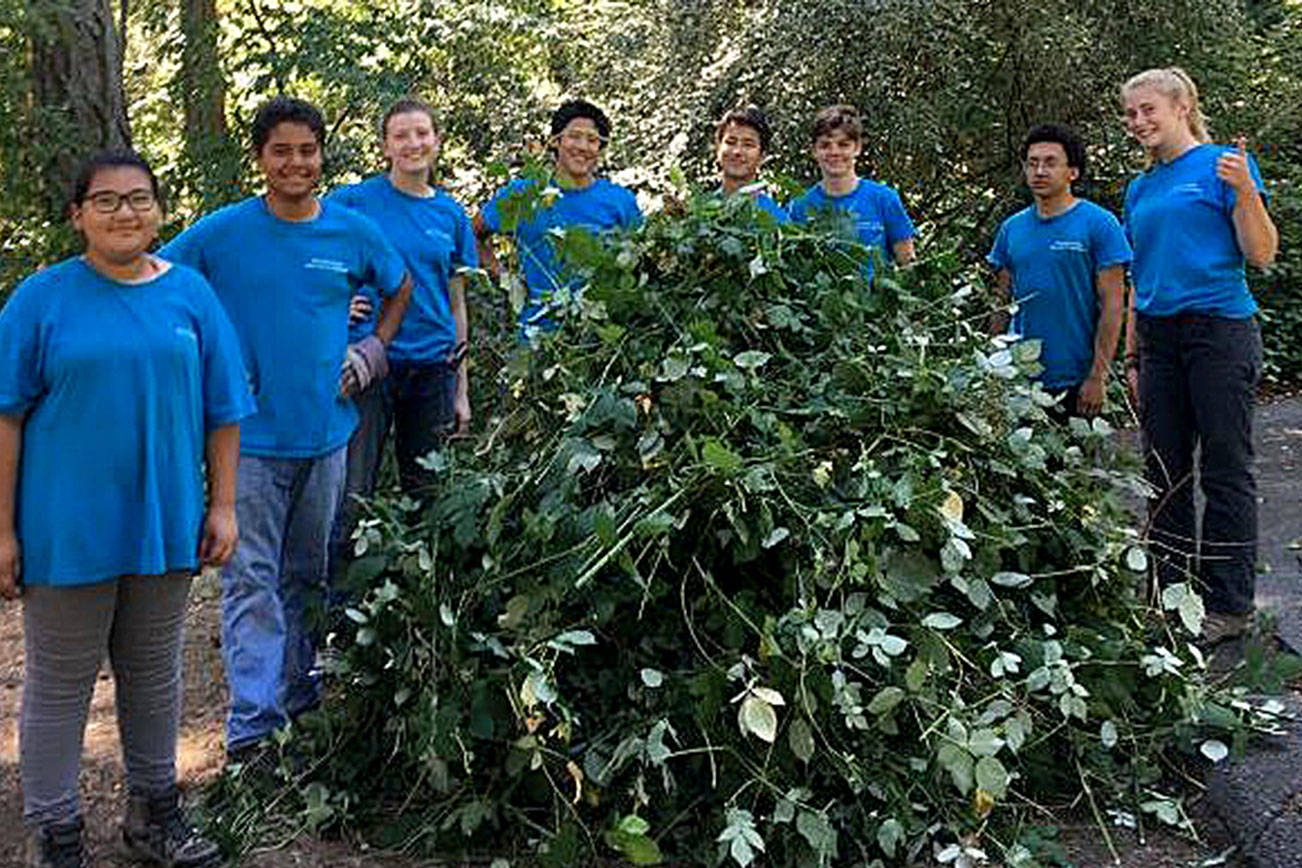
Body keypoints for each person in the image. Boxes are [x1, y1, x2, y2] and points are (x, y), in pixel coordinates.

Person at [0, 151, 253, 867]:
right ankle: (56, 835)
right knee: (60, 683)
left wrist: (225, 506)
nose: (125, 213)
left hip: (165, 521)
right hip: (66, 526)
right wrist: (2, 530)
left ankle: (155, 818)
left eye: (139, 199)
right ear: (77, 215)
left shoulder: (193, 296)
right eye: (106, 201)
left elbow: (224, 411)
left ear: (160, 210)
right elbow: (6, 418)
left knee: (153, 675)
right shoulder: (40, 300)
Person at [162, 97, 411, 761]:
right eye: (281, 151)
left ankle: (299, 703)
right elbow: (160, 279)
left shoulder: (350, 232)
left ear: (322, 154)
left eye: (306, 150)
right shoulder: (224, 233)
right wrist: (209, 357)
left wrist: (370, 353)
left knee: (305, 574)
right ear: (261, 159)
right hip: (248, 446)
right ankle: (252, 730)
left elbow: (400, 284)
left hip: (327, 438)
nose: (295, 163)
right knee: (250, 581)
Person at [1120, 67, 1278, 642]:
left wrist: (1242, 192)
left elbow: (1261, 253)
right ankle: (1169, 595)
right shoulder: (1140, 187)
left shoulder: (1224, 167)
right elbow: (1139, 272)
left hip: (1218, 330)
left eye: (1148, 110)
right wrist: (1133, 356)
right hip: (1159, 339)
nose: (1138, 122)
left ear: (1181, 106)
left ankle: (1229, 605)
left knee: (1225, 468)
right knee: (1163, 472)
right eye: (1130, 114)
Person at [328, 96, 477, 584]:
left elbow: (457, 304)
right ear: (385, 147)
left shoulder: (452, 215)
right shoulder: (354, 202)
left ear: (436, 141)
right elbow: (310, 253)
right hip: (370, 365)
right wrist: (334, 303)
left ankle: (414, 619)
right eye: (401, 135)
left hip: (432, 367)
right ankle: (335, 623)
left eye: (422, 134)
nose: (413, 143)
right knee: (351, 496)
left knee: (428, 499)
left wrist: (461, 389)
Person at [987, 124, 1131, 417]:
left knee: (1080, 463)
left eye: (1051, 163)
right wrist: (991, 363)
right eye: (1032, 163)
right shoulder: (1011, 228)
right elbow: (1002, 301)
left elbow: (1113, 307)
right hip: (1018, 378)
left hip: (1076, 379)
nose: (1040, 171)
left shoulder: (1099, 224)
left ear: (1073, 172)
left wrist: (1098, 376)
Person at [475, 98, 642, 334]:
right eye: (574, 136)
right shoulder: (524, 194)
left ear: (600, 149)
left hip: (602, 339)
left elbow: (640, 262)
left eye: (592, 140)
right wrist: (504, 277)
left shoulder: (620, 201)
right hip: (538, 338)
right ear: (556, 141)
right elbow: (470, 233)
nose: (583, 147)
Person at [788, 104, 916, 281]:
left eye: (843, 145)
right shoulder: (799, 207)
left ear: (857, 148)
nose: (834, 152)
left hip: (876, 306)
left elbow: (908, 265)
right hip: (819, 307)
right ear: (814, 151)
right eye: (825, 145)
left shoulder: (884, 199)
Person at [713, 105, 788, 221]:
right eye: (730, 142)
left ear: (762, 156)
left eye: (748, 145)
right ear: (718, 148)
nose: (737, 151)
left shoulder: (776, 218)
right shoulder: (700, 211)